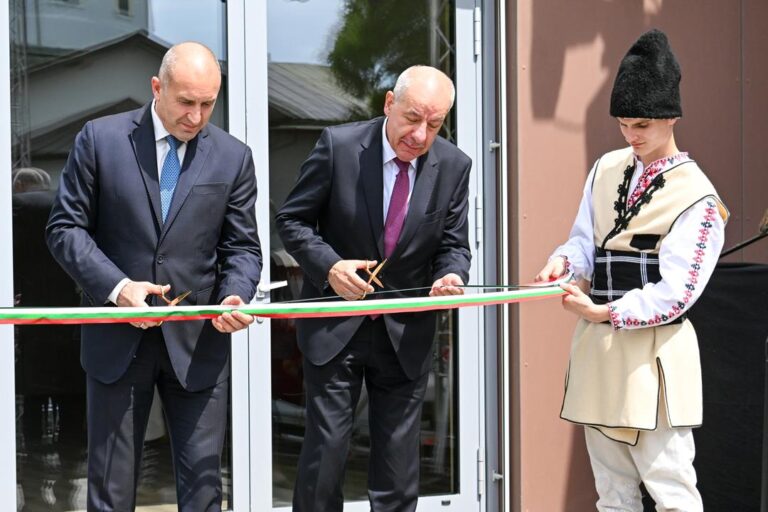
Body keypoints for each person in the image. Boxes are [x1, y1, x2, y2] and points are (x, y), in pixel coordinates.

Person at [46, 41, 262, 511]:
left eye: (208, 103)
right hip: (116, 342)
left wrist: (235, 294)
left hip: (199, 345)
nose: (196, 116)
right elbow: (64, 229)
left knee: (204, 494)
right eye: (186, 101)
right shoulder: (100, 140)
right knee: (110, 493)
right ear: (157, 87)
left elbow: (242, 247)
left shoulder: (234, 157)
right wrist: (119, 289)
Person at [535, 29, 729, 511]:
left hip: (655, 357)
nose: (631, 135)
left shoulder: (698, 198)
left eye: (641, 124)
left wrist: (605, 312)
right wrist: (565, 262)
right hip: (599, 353)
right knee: (612, 494)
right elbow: (586, 239)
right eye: (623, 124)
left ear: (671, 117)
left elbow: (678, 292)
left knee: (672, 492)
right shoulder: (605, 168)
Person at [276, 65, 471, 512]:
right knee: (324, 460)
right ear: (389, 103)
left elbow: (454, 245)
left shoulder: (454, 165)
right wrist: (330, 267)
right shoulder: (339, 146)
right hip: (335, 325)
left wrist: (451, 275)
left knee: (398, 474)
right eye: (412, 118)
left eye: (434, 125)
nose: (420, 135)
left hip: (406, 333)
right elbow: (293, 220)